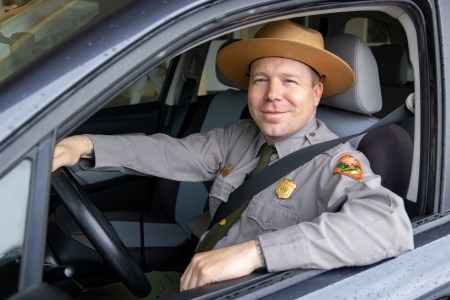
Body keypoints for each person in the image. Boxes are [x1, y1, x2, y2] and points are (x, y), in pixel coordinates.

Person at [52, 20, 414, 298]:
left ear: (315, 92)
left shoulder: (336, 162)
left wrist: (256, 253)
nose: (273, 95)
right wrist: (85, 145)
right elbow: (170, 152)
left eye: (290, 81)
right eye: (261, 80)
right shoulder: (239, 135)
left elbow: (388, 225)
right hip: (190, 276)